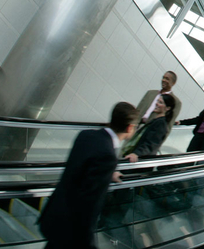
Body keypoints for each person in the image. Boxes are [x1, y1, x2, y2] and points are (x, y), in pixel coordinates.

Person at [39, 102, 139, 249]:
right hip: (71, 232)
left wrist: (108, 172)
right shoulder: (108, 156)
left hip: (54, 215)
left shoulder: (86, 135)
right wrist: (88, 243)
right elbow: (90, 206)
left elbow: (81, 168)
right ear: (130, 128)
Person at [122, 93, 176, 161]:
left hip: (141, 161)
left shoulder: (161, 124)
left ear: (167, 108)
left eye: (160, 102)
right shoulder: (157, 121)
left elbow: (151, 144)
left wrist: (136, 154)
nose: (157, 104)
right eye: (157, 101)